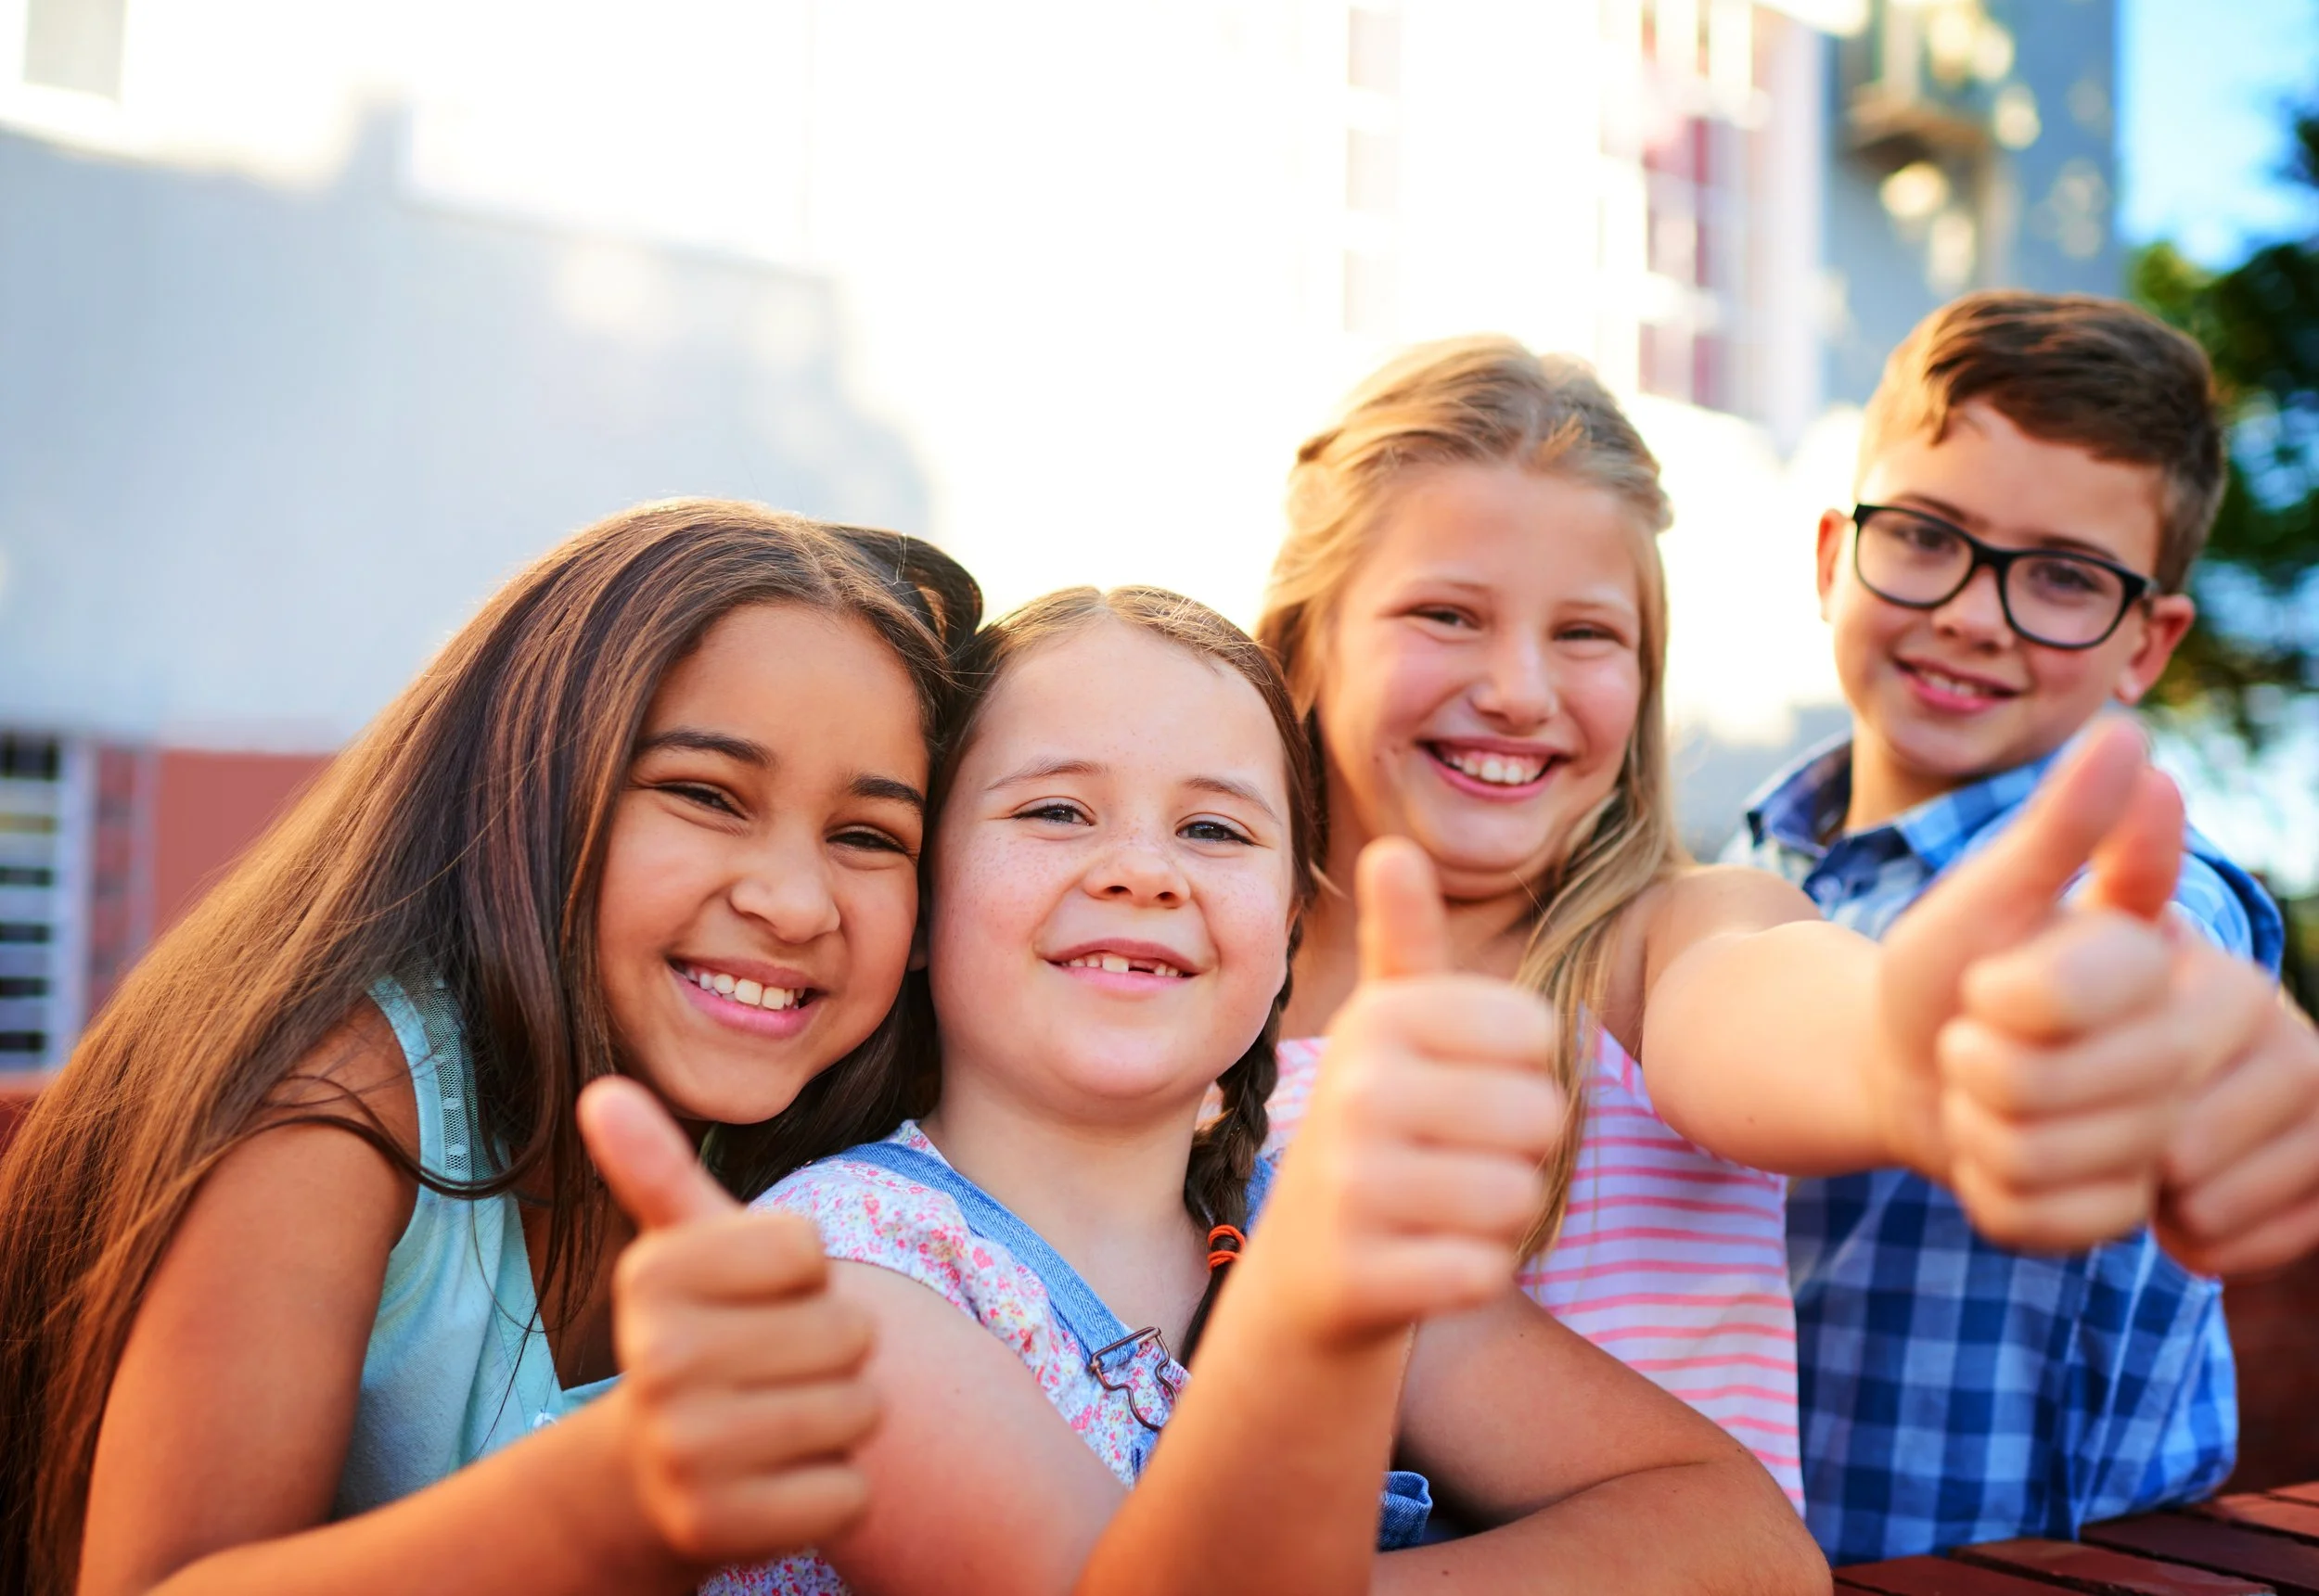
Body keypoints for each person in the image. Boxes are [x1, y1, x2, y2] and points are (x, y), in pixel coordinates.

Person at [1250, 334, 2313, 1517]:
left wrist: (1923, 1052)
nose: (1517, 687)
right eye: (1447, 613)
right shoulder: (1207, 980)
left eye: (1586, 633)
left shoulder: (1674, 930)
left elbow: (1783, 997)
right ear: (1307, 640)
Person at [713, 587, 1827, 1596]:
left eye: (1213, 828)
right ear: (920, 893)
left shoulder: (1296, 1216)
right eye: (1055, 810)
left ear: (1289, 931)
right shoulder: (834, 1267)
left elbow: (1749, 1540)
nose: (1143, 870)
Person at [0, 502, 980, 1596]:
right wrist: (612, 1491)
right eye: (706, 795)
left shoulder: (855, 1168)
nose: (796, 902)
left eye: (868, 836)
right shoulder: (347, 1094)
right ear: (531, 787)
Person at [1723, 290, 2319, 1562]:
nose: (1977, 612)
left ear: (2145, 645)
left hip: (2024, 1570)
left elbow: (2138, 971)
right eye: (1928, 537)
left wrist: (2159, 1038)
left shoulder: (2129, 888)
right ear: (1835, 557)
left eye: (2062, 577)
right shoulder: (1751, 857)